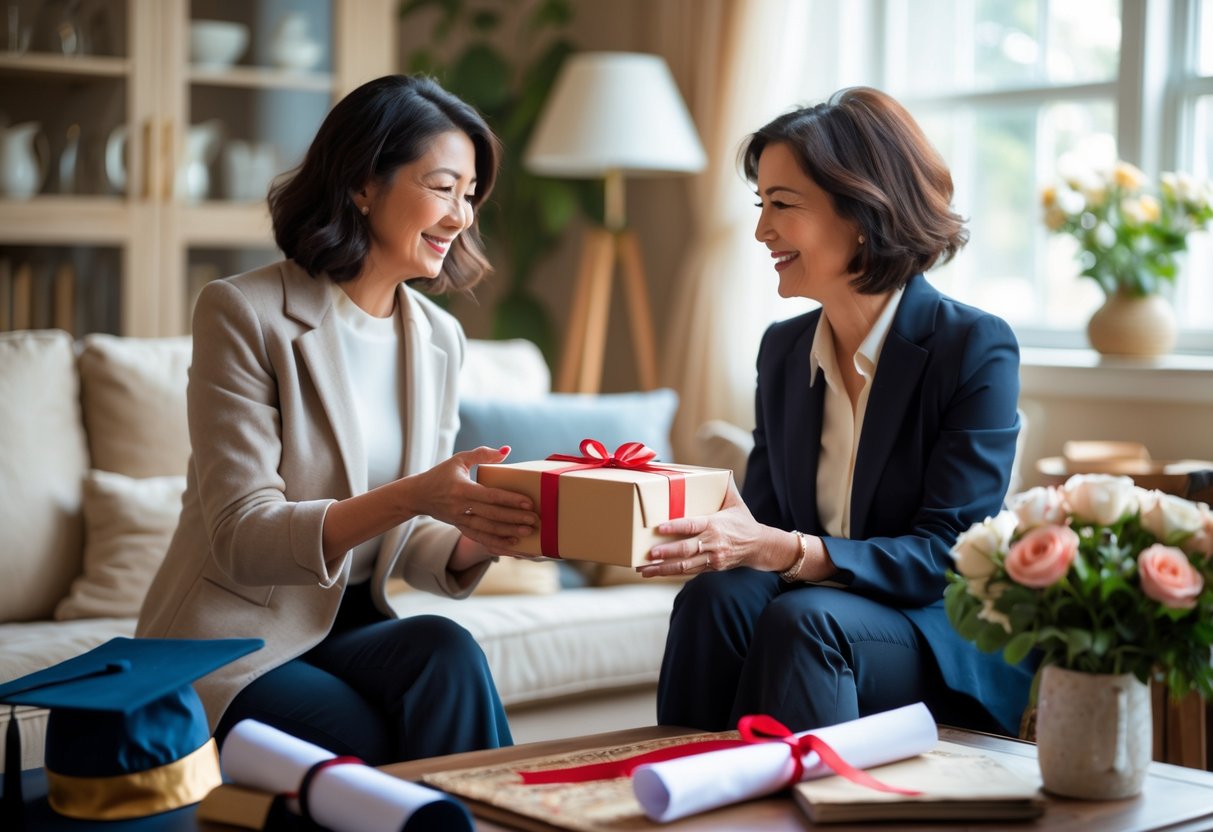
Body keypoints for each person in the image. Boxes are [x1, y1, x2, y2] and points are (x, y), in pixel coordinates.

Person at [137, 74, 540, 765]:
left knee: (445, 651)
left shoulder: (439, 340)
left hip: (347, 626)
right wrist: (417, 493)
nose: (461, 215)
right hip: (232, 641)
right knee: (375, 742)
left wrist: (483, 534)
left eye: (469, 195)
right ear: (362, 184)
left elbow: (408, 534)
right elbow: (242, 535)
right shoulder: (243, 313)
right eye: (442, 187)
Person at [644, 87, 1032, 737]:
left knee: (804, 620)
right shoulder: (783, 349)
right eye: (760, 204)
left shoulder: (972, 347)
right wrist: (702, 535)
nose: (762, 230)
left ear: (859, 211)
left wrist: (790, 550)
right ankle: (684, 795)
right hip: (814, 610)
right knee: (713, 598)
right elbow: (764, 524)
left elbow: (945, 556)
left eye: (781, 206)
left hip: (929, 627)